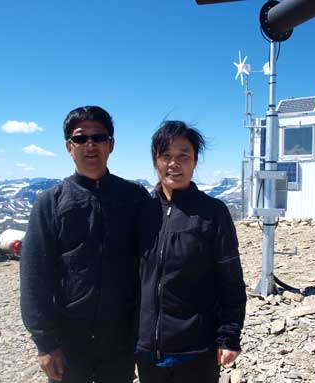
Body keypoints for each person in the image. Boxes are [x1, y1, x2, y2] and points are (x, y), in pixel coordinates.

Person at [20, 106, 149, 383]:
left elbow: (153, 261)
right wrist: (45, 343)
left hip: (121, 340)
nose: (90, 145)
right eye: (80, 138)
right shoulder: (50, 202)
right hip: (68, 341)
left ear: (111, 144)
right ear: (69, 146)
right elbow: (34, 276)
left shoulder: (134, 197)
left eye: (99, 137)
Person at [136, 121, 247, 383]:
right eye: (165, 156)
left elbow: (230, 280)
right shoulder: (142, 211)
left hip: (196, 349)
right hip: (147, 350)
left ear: (195, 161)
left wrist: (229, 336)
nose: (174, 163)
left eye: (183, 155)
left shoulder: (212, 213)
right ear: (155, 161)